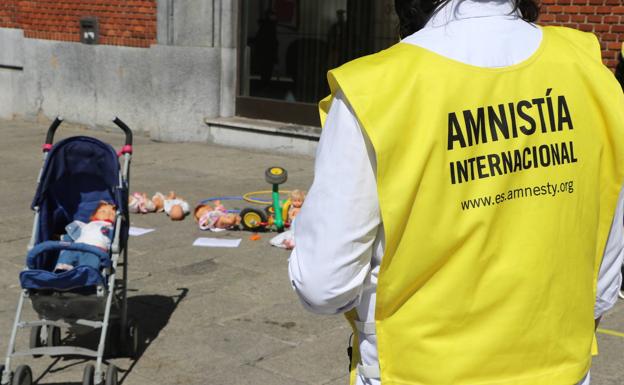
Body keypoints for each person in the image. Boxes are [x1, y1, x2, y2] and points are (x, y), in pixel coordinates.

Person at [288, 1, 624, 385]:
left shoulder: (377, 88)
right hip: (559, 370)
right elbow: (604, 269)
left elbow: (324, 287)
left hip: (418, 371)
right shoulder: (588, 68)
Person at [55, 201, 115, 272]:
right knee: (68, 253)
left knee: (92, 260)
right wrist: (61, 238)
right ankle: (62, 268)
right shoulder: (84, 226)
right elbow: (73, 236)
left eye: (112, 214)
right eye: (103, 211)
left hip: (95, 249)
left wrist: (107, 231)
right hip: (77, 246)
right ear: (93, 216)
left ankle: (88, 274)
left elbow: (112, 238)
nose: (107, 214)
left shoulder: (110, 228)